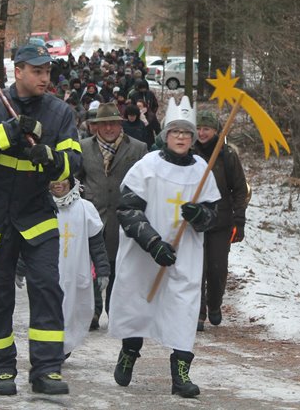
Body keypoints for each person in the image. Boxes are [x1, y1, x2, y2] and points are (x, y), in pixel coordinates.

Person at [0, 44, 82, 397]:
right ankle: (1, 368)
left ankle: (46, 369)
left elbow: (73, 163)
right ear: (18, 71)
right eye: (38, 71)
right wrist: (13, 130)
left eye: (48, 72)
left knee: (47, 287)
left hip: (37, 216)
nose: (45, 78)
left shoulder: (60, 113)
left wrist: (51, 160)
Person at [109, 96, 220, 398]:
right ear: (166, 135)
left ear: (193, 137)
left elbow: (213, 213)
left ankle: (181, 374)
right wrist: (152, 242)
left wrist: (201, 216)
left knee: (183, 308)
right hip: (147, 253)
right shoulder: (147, 165)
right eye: (176, 132)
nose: (182, 137)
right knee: (139, 302)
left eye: (187, 132)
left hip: (185, 254)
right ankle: (130, 351)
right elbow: (128, 210)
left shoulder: (201, 169)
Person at [78, 102, 147, 330]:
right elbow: (75, 180)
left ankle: (114, 310)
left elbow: (146, 183)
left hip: (123, 220)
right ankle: (93, 312)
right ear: (95, 126)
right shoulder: (82, 148)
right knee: (92, 268)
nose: (109, 128)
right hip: (93, 218)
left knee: (119, 269)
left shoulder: (138, 148)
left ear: (120, 125)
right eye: (104, 124)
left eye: (113, 124)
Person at [193, 110, 249, 331]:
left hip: (220, 222)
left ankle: (215, 304)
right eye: (198, 128)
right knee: (197, 269)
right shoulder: (190, 154)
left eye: (206, 128)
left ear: (215, 131)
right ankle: (198, 313)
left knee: (217, 269)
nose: (201, 132)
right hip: (195, 223)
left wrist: (239, 221)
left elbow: (239, 189)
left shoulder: (227, 156)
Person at [48, 177, 110, 356]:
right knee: (51, 309)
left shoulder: (85, 208)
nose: (57, 184)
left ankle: (66, 345)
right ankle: (54, 347)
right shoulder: (43, 207)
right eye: (54, 180)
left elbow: (96, 243)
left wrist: (103, 270)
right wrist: (21, 267)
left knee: (74, 309)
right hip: (50, 271)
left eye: (62, 180)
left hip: (76, 271)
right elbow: (31, 240)